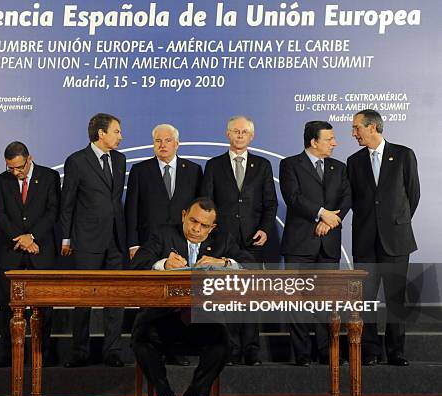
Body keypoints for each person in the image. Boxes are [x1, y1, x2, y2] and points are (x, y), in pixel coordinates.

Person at [131, 197, 252, 396]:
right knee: (140, 338)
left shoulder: (222, 240)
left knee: (223, 344)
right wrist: (163, 264)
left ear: (212, 227)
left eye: (204, 225)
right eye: (193, 221)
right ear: (184, 215)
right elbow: (137, 263)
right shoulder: (164, 234)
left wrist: (224, 263)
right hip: (165, 319)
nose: (196, 229)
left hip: (202, 321)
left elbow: (250, 263)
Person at [200, 115, 278, 366]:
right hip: (224, 242)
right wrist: (213, 233)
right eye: (236, 131)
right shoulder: (214, 165)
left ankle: (251, 349)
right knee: (228, 297)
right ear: (227, 134)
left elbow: (270, 203)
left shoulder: (263, 165)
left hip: (254, 242)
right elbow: (207, 202)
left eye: (245, 132)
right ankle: (231, 349)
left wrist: (265, 229)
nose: (240, 135)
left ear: (252, 136)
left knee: (250, 298)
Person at [124, 123, 203, 366]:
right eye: (158, 141)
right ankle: (150, 348)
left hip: (183, 242)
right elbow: (132, 209)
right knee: (151, 299)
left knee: (180, 301)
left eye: (168, 140)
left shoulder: (194, 170)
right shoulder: (140, 170)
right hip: (150, 245)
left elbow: (200, 208)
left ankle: (176, 349)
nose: (163, 145)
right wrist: (133, 243)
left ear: (177, 144)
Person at [347, 109, 420, 366]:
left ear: (373, 127)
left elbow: (413, 195)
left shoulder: (403, 155)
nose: (353, 133)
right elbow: (354, 199)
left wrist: (394, 222)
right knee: (365, 299)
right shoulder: (354, 161)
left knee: (396, 298)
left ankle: (396, 351)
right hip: (365, 240)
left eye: (357, 127)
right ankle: (370, 351)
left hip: (397, 240)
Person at [279, 121, 351, 366]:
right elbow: (293, 197)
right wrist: (321, 213)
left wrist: (331, 221)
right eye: (329, 139)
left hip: (328, 244)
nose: (335, 143)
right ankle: (301, 353)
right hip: (299, 244)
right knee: (297, 301)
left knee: (328, 302)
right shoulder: (290, 164)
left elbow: (346, 198)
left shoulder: (339, 167)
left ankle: (326, 351)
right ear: (313, 141)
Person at [60, 113, 127, 367]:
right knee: (84, 299)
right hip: (86, 239)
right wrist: (66, 238)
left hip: (115, 239)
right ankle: (80, 351)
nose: (121, 136)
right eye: (117, 131)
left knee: (115, 298)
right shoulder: (77, 161)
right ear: (101, 133)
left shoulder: (120, 160)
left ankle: (113, 351)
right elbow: (68, 202)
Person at [0, 141, 60, 368]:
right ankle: (7, 354)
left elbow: (53, 211)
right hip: (12, 250)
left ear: (29, 158)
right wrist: (21, 239)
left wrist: (32, 236)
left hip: (41, 249)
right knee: (9, 306)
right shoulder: (2, 181)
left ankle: (43, 353)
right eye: (11, 168)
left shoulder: (49, 177)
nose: (15, 172)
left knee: (44, 306)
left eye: (19, 167)